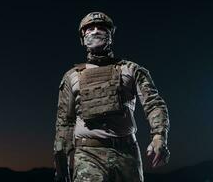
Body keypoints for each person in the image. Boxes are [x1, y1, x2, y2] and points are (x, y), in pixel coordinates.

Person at [53, 12, 170, 182]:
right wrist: (61, 160)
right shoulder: (71, 77)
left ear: (110, 35)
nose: (95, 31)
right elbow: (64, 121)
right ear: (82, 37)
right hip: (88, 155)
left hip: (126, 152)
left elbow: (153, 103)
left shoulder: (130, 70)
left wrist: (159, 136)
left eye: (101, 27)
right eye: (89, 28)